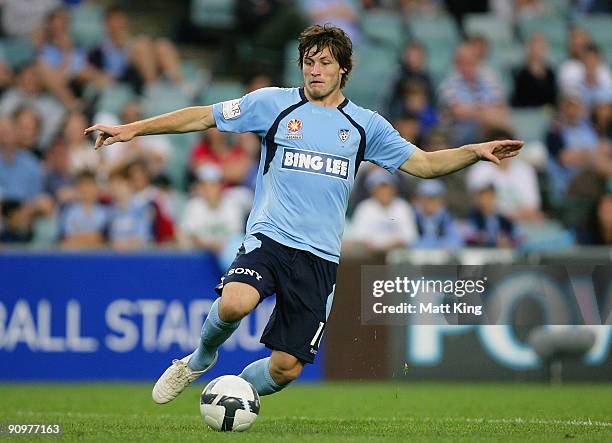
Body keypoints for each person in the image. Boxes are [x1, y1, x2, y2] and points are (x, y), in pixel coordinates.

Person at [85, 24, 522, 402]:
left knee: (287, 368)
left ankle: (232, 390)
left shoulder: (365, 125)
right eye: (309, 62)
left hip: (319, 258)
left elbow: (424, 165)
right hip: (270, 237)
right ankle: (198, 359)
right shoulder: (273, 104)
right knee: (235, 303)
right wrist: (132, 129)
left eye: (325, 63)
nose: (315, 70)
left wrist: (473, 152)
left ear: (343, 69)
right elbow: (203, 117)